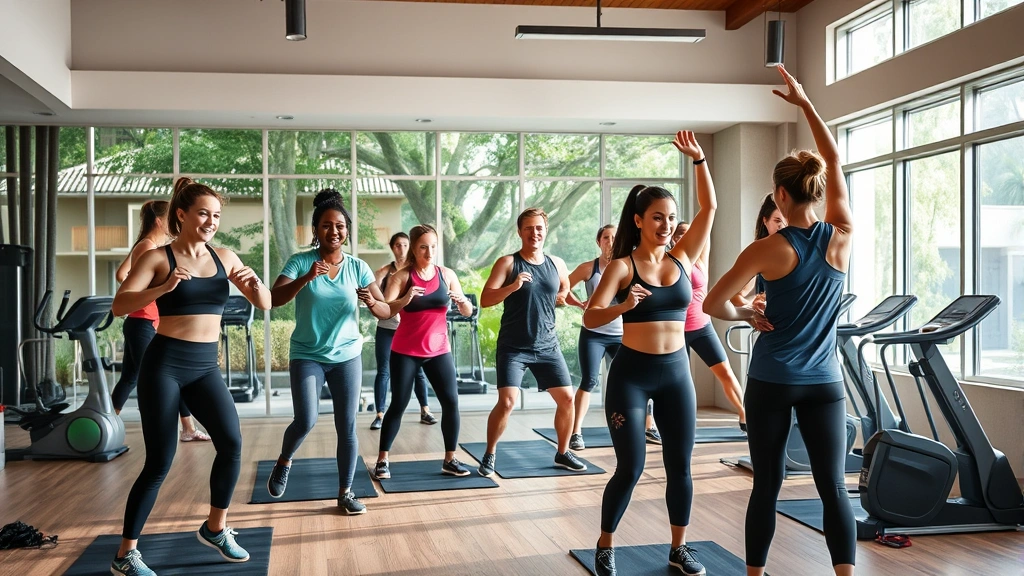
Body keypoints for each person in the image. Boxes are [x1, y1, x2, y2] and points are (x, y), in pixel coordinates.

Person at [703, 65, 856, 576]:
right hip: (825, 384)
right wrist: (806, 102)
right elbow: (833, 158)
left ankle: (756, 574)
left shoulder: (767, 249)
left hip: (771, 381)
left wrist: (746, 312)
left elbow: (713, 305)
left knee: (766, 484)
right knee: (832, 485)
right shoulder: (841, 237)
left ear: (780, 197)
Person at [110, 178, 271, 576]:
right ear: (180, 214)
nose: (211, 221)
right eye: (203, 213)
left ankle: (215, 527)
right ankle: (125, 555)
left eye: (216, 215)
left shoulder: (225, 257)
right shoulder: (157, 258)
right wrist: (164, 286)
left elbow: (265, 304)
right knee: (159, 463)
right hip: (164, 365)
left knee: (232, 443)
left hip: (204, 368)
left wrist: (255, 283)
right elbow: (118, 305)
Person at [583, 131, 714, 576]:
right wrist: (624, 305)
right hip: (632, 376)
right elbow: (590, 318)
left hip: (677, 373)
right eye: (657, 217)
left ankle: (679, 548)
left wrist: (699, 162)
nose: (666, 224)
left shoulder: (682, 259)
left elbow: (710, 210)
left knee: (680, 466)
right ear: (638, 220)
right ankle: (605, 544)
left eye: (671, 217)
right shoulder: (622, 266)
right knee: (631, 467)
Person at [265, 189, 391, 515]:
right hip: (307, 353)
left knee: (346, 426)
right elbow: (275, 298)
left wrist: (372, 301)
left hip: (347, 355)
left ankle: (345, 493)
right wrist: (307, 277)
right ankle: (284, 461)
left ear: (347, 230)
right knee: (306, 418)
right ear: (315, 230)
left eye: (339, 226)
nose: (333, 231)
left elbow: (385, 309)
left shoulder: (359, 267)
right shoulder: (300, 261)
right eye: (326, 225)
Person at [477, 207, 586, 476]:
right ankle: (490, 454)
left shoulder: (557, 263)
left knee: (567, 399)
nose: (534, 233)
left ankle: (562, 453)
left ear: (545, 230)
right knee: (507, 402)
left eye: (539, 228)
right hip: (514, 347)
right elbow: (485, 299)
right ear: (519, 231)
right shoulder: (508, 263)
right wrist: (512, 287)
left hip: (548, 344)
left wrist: (576, 303)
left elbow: (563, 289)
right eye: (528, 228)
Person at [374, 224, 474, 479]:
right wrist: (406, 298)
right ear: (414, 249)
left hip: (439, 350)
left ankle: (450, 459)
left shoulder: (446, 274)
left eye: (433, 247)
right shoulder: (402, 276)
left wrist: (463, 302)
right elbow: (385, 309)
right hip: (406, 350)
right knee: (398, 404)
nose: (429, 252)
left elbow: (467, 312)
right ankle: (383, 460)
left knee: (451, 402)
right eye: (423, 247)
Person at [111, 200, 210, 443]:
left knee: (129, 378)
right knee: (169, 375)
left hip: (139, 322)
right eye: (170, 219)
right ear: (158, 221)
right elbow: (126, 279)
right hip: (143, 322)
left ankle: (109, 422)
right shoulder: (148, 248)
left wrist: (142, 292)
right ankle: (187, 427)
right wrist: (155, 292)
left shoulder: (144, 245)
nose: (174, 224)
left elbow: (121, 274)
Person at [674, 220, 747, 431]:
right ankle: (680, 424)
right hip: (676, 331)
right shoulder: (670, 261)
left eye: (691, 234)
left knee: (725, 371)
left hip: (702, 327)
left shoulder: (700, 259)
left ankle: (744, 414)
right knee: (680, 382)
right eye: (682, 234)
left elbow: (706, 226)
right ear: (674, 238)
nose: (688, 238)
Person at [371, 232, 437, 430]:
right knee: (384, 371)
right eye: (397, 245)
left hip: (410, 330)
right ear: (392, 248)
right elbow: (378, 302)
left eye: (405, 245)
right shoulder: (384, 272)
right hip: (387, 328)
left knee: (418, 371)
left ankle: (425, 410)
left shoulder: (416, 272)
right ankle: (380, 414)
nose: (401, 249)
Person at [565, 225, 622, 451]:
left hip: (622, 335)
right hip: (593, 334)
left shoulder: (627, 267)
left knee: (625, 383)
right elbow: (561, 287)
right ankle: (576, 432)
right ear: (599, 242)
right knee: (589, 381)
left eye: (614, 237)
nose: (610, 241)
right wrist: (579, 303)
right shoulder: (590, 268)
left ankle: (637, 428)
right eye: (606, 238)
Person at [731, 194, 787, 307]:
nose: (782, 226)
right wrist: (753, 306)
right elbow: (735, 296)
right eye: (777, 221)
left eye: (786, 221)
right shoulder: (758, 254)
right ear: (765, 221)